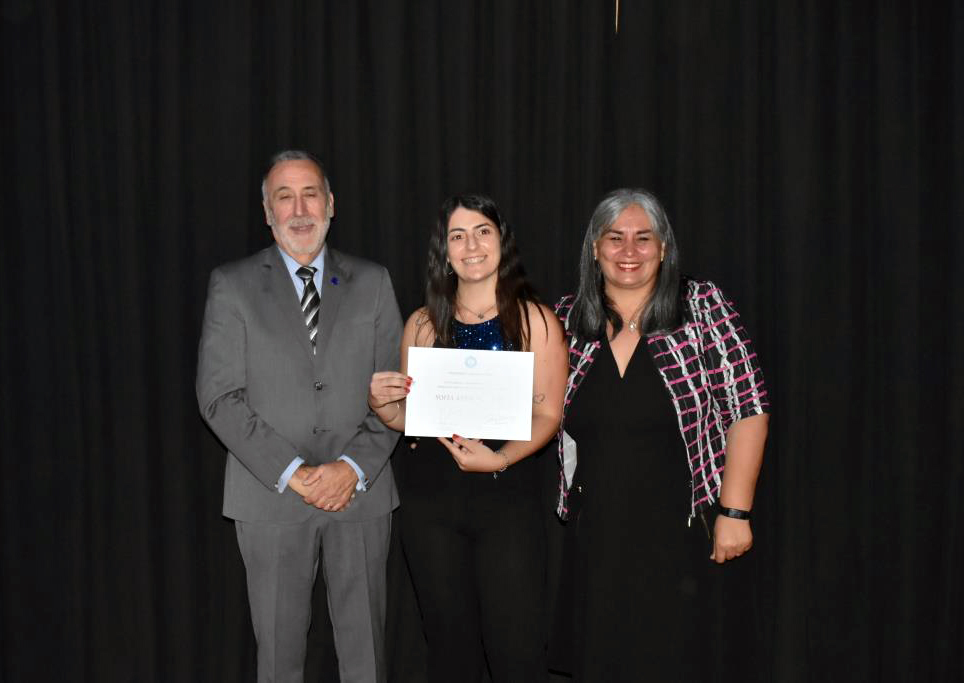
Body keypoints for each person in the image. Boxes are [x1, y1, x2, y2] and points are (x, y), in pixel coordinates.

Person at [196, 150, 403, 683]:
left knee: (367, 661)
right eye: (283, 197)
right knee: (279, 660)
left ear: (331, 204)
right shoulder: (232, 284)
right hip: (271, 496)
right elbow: (218, 396)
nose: (299, 208)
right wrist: (296, 474)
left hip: (361, 493)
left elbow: (398, 392)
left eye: (310, 193)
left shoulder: (374, 282)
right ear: (267, 213)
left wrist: (350, 469)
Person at [550, 189, 771, 682]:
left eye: (643, 239)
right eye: (615, 238)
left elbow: (748, 407)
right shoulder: (566, 318)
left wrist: (735, 511)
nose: (629, 251)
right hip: (598, 538)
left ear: (664, 248)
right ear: (594, 248)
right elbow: (534, 411)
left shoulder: (701, 305)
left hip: (685, 533)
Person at [368, 194, 567, 682]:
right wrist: (383, 404)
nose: (471, 245)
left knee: (516, 649)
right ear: (445, 251)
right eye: (457, 235)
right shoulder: (421, 323)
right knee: (449, 649)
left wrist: (498, 459)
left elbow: (549, 414)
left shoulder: (535, 320)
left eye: (482, 231)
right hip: (431, 501)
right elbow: (412, 416)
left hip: (507, 497)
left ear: (502, 242)